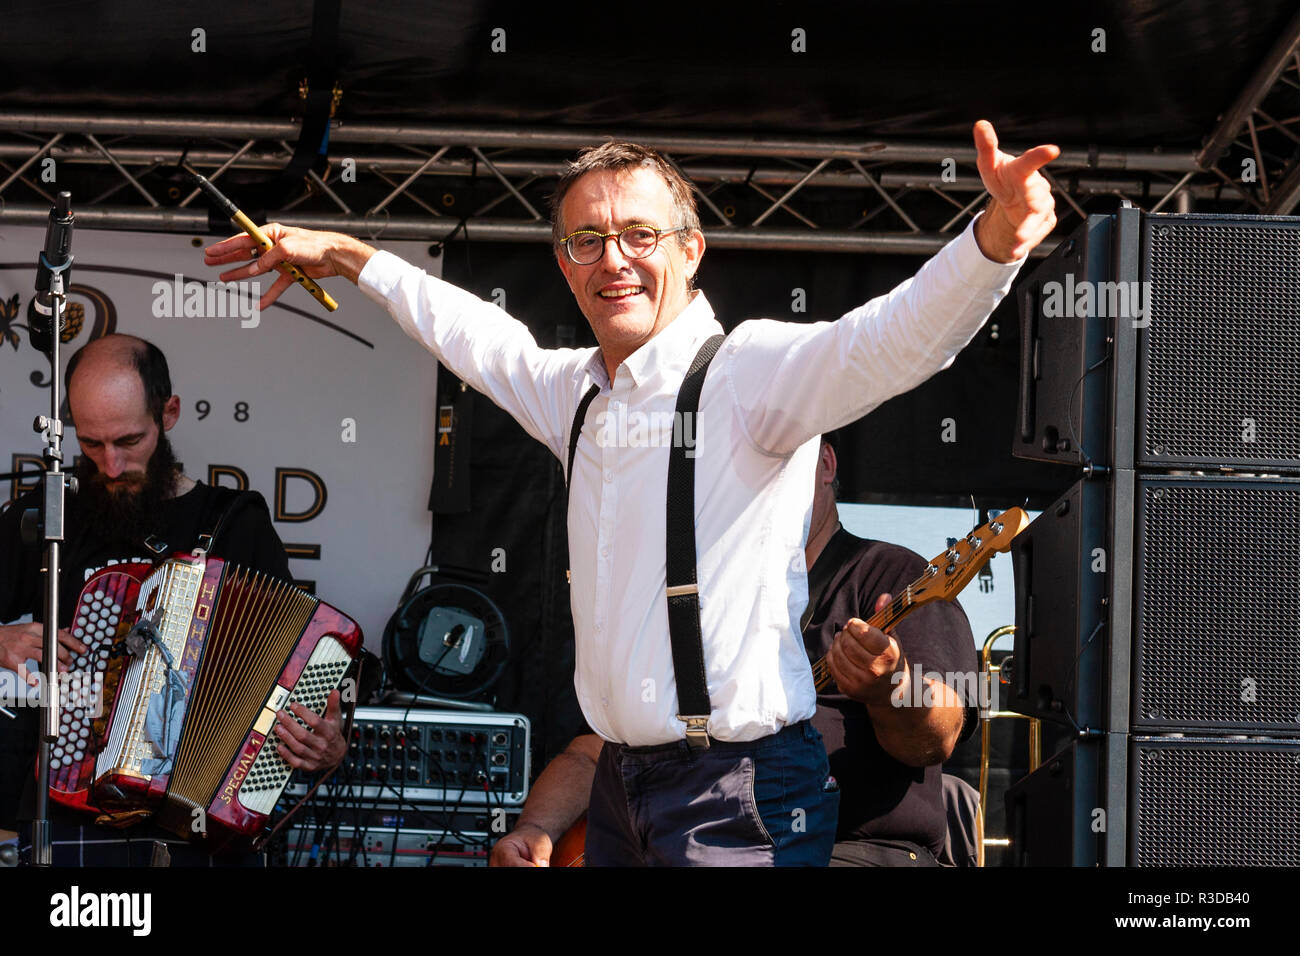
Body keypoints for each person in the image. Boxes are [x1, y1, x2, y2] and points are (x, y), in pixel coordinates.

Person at [204, 120, 1056, 865]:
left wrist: (996, 240)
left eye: (640, 235)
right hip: (619, 784)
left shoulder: (748, 373)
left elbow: (889, 341)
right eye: (586, 241)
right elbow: (470, 333)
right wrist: (353, 258)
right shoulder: (575, 392)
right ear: (564, 266)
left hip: (741, 789)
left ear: (691, 250)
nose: (613, 259)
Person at [490, 435, 978, 867]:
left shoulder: (891, 575)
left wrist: (886, 686)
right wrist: (536, 829)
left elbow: (936, 737)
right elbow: (596, 753)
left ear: (826, 465)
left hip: (847, 849)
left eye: (777, 464)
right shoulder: (701, 602)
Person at [0, 334, 346, 865]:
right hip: (69, 814)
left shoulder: (235, 523)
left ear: (169, 413)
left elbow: (300, 666)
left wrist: (326, 744)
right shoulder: (51, 515)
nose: (110, 465)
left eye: (128, 441)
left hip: (203, 823)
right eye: (91, 444)